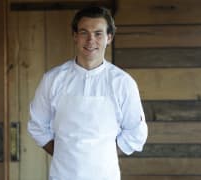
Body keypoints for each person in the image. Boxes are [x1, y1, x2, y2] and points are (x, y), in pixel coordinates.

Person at [28, 6, 148, 180]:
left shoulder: (122, 83)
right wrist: (65, 153)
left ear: (109, 38)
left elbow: (136, 132)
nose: (91, 40)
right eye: (84, 33)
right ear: (75, 37)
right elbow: (37, 126)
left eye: (98, 34)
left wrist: (100, 155)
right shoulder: (53, 80)